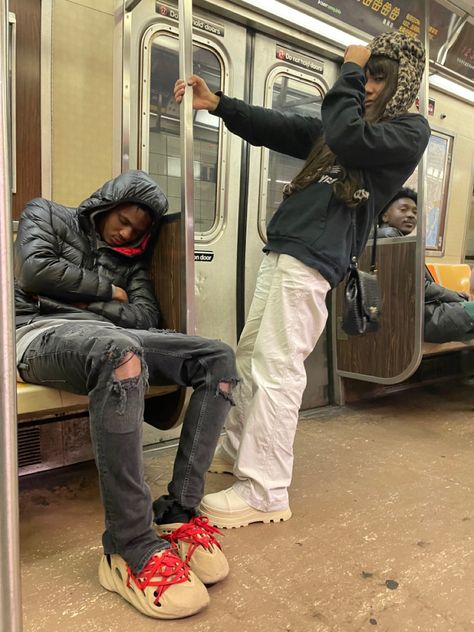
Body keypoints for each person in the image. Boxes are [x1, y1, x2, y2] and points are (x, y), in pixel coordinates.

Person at [175, 31, 430, 529]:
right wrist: (221, 104)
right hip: (287, 246)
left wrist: (350, 73)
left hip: (316, 255)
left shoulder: (406, 130)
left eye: (381, 77)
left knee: (277, 366)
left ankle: (265, 490)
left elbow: (344, 134)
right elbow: (285, 128)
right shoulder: (345, 131)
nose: (370, 86)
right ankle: (237, 450)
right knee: (251, 355)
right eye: (367, 75)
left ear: (401, 85)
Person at [14, 170, 238, 619]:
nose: (126, 232)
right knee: (122, 351)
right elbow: (34, 270)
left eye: (138, 229)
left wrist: (78, 298)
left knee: (218, 360)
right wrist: (106, 293)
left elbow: (142, 316)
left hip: (109, 335)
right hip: (39, 333)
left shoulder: (132, 262)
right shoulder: (47, 214)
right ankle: (127, 545)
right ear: (105, 204)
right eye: (122, 219)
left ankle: (177, 510)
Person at [377, 188, 474, 343]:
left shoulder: (387, 238)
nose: (411, 215)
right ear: (385, 215)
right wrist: (457, 296)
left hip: (414, 313)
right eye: (403, 209)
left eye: (415, 212)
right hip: (420, 318)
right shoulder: (390, 238)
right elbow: (418, 285)